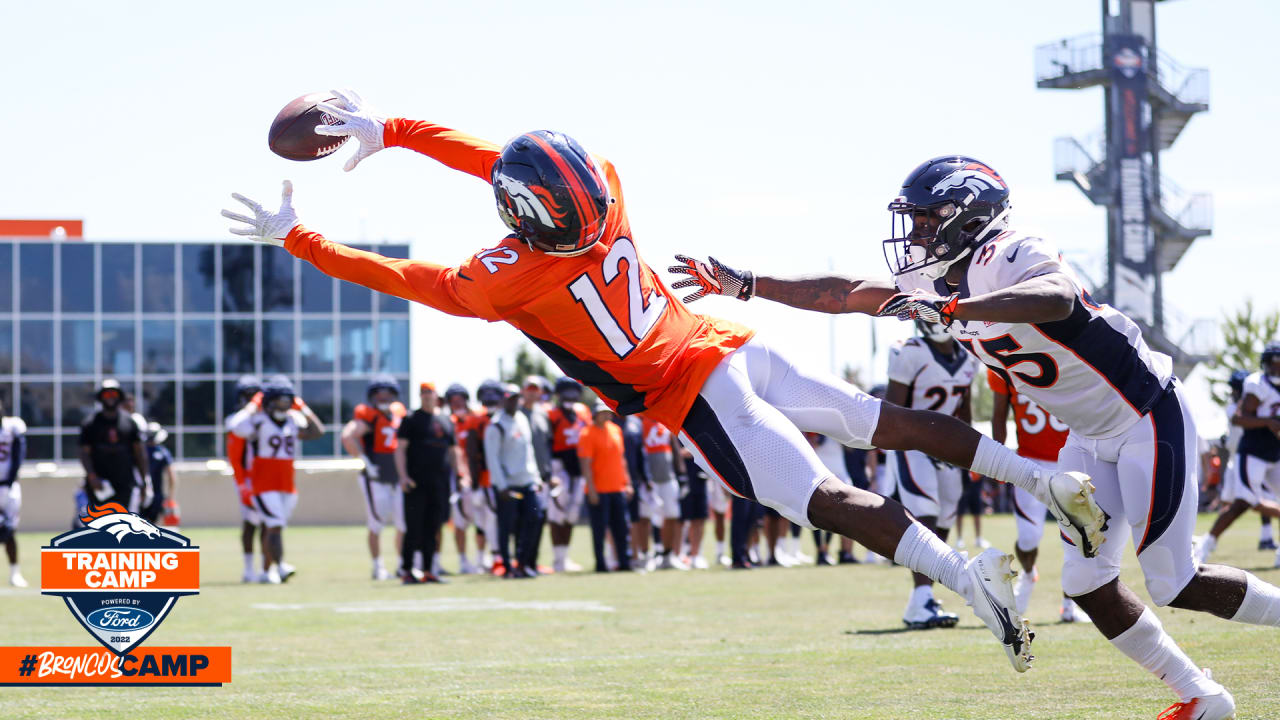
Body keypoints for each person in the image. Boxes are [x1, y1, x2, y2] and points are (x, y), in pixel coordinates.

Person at [223, 96, 1108, 672]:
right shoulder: (602, 183)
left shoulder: (503, 277)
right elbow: (495, 156)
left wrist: (302, 238)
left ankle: (967, 580)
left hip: (690, 394)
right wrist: (390, 128)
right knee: (873, 418)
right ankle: (1044, 481)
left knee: (822, 499)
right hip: (723, 340)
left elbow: (403, 274)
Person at [678, 154, 1280, 716]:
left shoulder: (1010, 250)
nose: (912, 236)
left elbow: (1058, 295)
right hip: (1089, 435)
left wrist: (960, 308)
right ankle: (1200, 696)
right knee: (1087, 584)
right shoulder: (940, 285)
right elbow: (845, 292)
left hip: (1147, 415)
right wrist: (751, 284)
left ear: (965, 215)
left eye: (922, 221)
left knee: (1173, 580)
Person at [879, 318, 978, 628]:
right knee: (926, 513)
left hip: (946, 447)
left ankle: (923, 599)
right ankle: (921, 597)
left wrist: (968, 448)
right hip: (914, 444)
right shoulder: (910, 351)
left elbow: (965, 408)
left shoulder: (969, 354)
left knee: (945, 519)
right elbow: (893, 408)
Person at [989, 368, 1088, 623]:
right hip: (1028, 461)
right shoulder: (1001, 364)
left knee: (1077, 537)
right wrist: (995, 460)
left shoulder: (1065, 355)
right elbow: (999, 414)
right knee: (1028, 537)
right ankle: (1029, 572)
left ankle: (1070, 603)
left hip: (1070, 458)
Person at [227, 375, 324, 583]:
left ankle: (266, 570)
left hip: (286, 483)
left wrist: (304, 407)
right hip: (263, 482)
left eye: (287, 398)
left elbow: (317, 431)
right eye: (278, 399)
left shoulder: (293, 419)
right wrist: (253, 405)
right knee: (273, 525)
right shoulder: (258, 420)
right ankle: (279, 568)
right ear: (268, 400)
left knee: (274, 527)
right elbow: (235, 426)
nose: (284, 403)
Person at [1194, 347, 1280, 568]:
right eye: (1273, 363)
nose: (1276, 368)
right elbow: (1239, 418)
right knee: (1245, 502)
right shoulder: (1257, 384)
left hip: (1274, 452)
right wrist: (1268, 422)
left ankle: (1268, 540)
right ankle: (1206, 544)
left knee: (1240, 503)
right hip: (1253, 453)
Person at [342, 374, 409, 581]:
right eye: (379, 393)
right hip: (376, 476)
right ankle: (377, 566)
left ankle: (402, 564)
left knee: (403, 524)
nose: (384, 397)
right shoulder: (368, 415)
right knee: (376, 522)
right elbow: (347, 436)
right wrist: (365, 461)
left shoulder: (399, 412)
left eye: (387, 393)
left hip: (397, 476)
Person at [395, 382, 455, 584]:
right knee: (413, 527)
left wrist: (460, 474)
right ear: (420, 396)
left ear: (436, 395)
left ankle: (429, 570)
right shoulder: (411, 419)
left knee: (434, 527)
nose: (427, 396)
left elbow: (453, 451)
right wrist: (403, 476)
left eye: (430, 392)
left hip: (439, 483)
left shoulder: (446, 419)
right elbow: (401, 449)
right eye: (424, 393)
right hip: (416, 483)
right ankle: (407, 570)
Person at [486, 383, 544, 578]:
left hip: (526, 480)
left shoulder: (521, 419)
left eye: (515, 398)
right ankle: (507, 567)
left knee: (534, 518)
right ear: (503, 400)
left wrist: (535, 477)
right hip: (507, 484)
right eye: (509, 398)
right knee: (507, 526)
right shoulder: (496, 425)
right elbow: (492, 459)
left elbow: (529, 451)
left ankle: (524, 562)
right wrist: (501, 486)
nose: (513, 402)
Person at [578, 401, 633, 572]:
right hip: (599, 489)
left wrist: (628, 482)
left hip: (617, 487)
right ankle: (600, 564)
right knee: (599, 529)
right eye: (602, 412)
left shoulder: (615, 430)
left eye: (607, 412)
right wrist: (591, 489)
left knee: (621, 528)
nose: (606, 415)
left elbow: (622, 459)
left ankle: (624, 562)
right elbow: (586, 464)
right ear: (594, 414)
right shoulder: (587, 433)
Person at [79, 379, 147, 513]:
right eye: (107, 395)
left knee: (121, 523)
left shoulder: (130, 422)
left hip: (124, 482)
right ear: (101, 397)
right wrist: (92, 476)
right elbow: (84, 453)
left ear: (119, 397)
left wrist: (144, 480)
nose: (110, 398)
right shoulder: (90, 423)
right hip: (99, 483)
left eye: (113, 395)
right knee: (100, 524)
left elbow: (139, 453)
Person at [545, 377, 592, 573]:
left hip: (579, 467)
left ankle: (565, 557)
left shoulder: (583, 412)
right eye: (566, 392)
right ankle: (558, 559)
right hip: (559, 466)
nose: (570, 396)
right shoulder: (551, 414)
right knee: (557, 514)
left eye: (573, 391)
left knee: (571, 515)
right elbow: (546, 444)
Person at [226, 375, 265, 583]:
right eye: (248, 395)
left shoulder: (266, 416)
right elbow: (234, 455)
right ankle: (249, 568)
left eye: (255, 395)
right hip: (249, 478)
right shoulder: (238, 420)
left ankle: (271, 565)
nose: (252, 399)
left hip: (268, 475)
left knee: (271, 523)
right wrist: (242, 483)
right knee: (251, 523)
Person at [443, 383, 482, 574]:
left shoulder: (477, 418)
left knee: (483, 518)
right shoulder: (447, 422)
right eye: (453, 401)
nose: (458, 404)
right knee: (460, 521)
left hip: (480, 474)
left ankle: (483, 558)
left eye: (461, 399)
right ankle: (463, 559)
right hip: (455, 477)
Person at [642, 416, 687, 570]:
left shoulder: (664, 420)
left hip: (668, 477)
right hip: (650, 480)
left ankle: (667, 555)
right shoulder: (640, 421)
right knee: (650, 517)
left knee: (672, 514)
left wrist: (682, 474)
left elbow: (675, 448)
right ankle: (650, 555)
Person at [0, 399, 27, 587]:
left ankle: (15, 573)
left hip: (8, 487)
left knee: (10, 531)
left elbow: (19, 454)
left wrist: (10, 481)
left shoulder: (13, 426)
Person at [140, 422, 176, 526]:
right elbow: (171, 477)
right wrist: (170, 498)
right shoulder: (163, 452)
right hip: (156, 495)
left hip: (142, 493)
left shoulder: (140, 451)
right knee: (152, 526)